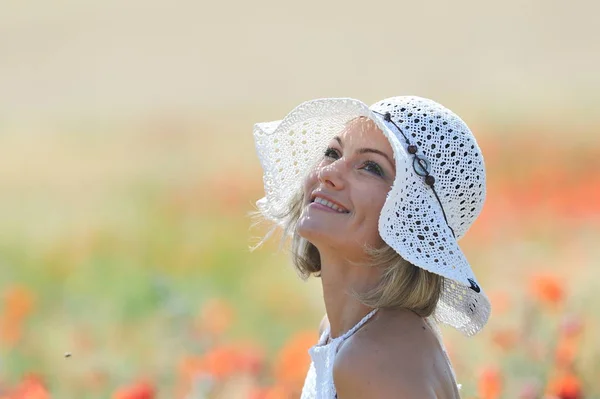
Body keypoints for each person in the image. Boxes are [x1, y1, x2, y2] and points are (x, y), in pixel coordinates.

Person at [252, 96, 490, 398]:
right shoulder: (348, 334)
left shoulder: (372, 359)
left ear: (411, 219)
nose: (329, 172)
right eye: (332, 152)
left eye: (371, 167)